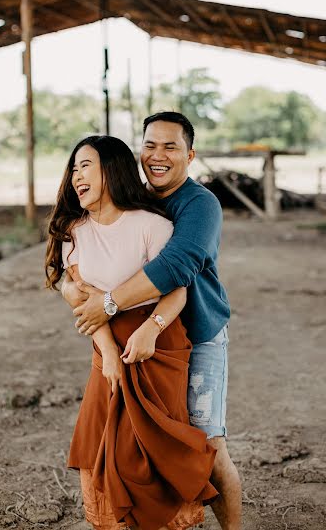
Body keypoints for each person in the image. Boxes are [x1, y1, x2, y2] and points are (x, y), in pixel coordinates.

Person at [64, 113, 242, 530]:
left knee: (208, 445)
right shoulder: (135, 198)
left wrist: (107, 304)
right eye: (150, 145)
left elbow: (177, 267)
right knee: (148, 443)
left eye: (170, 147)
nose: (157, 155)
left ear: (190, 155)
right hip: (147, 342)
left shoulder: (200, 204)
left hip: (197, 334)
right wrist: (72, 289)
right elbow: (82, 259)